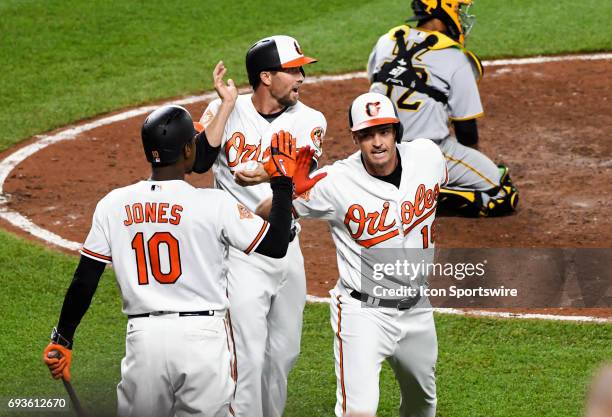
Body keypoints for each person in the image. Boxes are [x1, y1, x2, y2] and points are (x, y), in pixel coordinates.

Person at [42, 105, 306, 417]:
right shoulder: (214, 204)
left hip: (144, 341)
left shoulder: (113, 205)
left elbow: (84, 280)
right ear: (187, 150)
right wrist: (282, 182)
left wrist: (63, 338)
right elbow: (276, 246)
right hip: (202, 341)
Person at [257, 92, 446, 417]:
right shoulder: (335, 181)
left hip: (417, 308)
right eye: (367, 134)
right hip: (363, 312)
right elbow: (264, 213)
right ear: (356, 138)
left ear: (395, 131)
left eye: (383, 131)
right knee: (358, 411)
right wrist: (286, 187)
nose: (377, 142)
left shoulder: (428, 157)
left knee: (422, 406)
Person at [193, 35, 326, 417]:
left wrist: (268, 172)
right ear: (266, 76)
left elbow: (302, 176)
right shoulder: (221, 110)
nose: (302, 77)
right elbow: (200, 163)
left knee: (284, 355)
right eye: (294, 70)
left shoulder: (310, 119)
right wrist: (228, 104)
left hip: (287, 249)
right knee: (247, 357)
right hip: (239, 255)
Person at [367, 0, 518, 217]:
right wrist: (469, 163)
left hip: (379, 152)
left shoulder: (386, 41)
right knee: (503, 193)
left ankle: (390, 180)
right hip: (428, 153)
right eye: (456, 9)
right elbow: (466, 131)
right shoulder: (455, 57)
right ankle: (427, 195)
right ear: (441, 10)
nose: (459, 16)